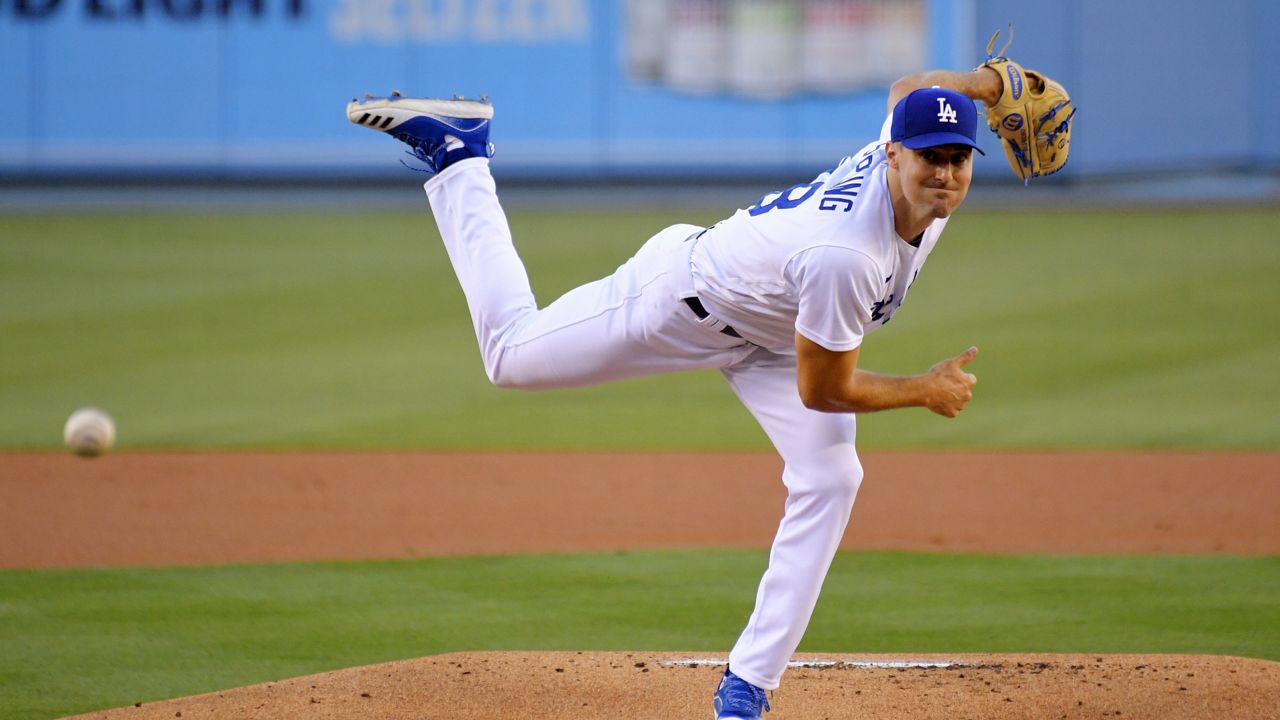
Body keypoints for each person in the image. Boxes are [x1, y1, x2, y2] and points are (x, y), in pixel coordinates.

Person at [348, 65, 1005, 719]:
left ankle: (747, 686)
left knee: (832, 477)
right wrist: (922, 389)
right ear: (894, 153)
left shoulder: (914, 178)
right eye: (930, 158)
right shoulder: (849, 256)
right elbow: (824, 390)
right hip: (678, 301)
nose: (945, 173)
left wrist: (985, 86)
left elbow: (903, 94)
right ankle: (461, 155)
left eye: (957, 159)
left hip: (773, 329)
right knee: (509, 356)